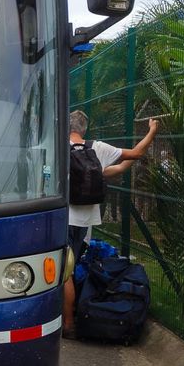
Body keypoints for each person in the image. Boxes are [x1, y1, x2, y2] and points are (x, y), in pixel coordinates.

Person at [63, 110, 159, 338]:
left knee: (61, 272)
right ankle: (70, 316)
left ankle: (67, 324)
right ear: (85, 129)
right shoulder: (98, 148)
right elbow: (135, 154)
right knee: (71, 267)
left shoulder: (58, 148)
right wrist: (152, 130)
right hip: (85, 223)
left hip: (62, 218)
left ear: (65, 127)